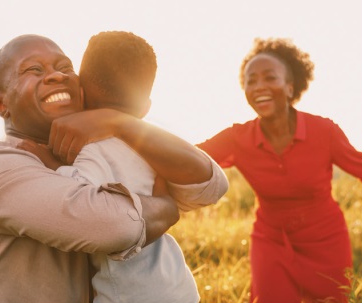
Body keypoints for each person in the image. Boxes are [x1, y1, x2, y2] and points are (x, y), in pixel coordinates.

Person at [0, 34, 213, 302]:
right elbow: (117, 228)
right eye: (34, 70)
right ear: (2, 104)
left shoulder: (96, 152)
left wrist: (119, 123)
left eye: (65, 67)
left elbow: (209, 184)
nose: (57, 76)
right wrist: (167, 208)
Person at [195, 38, 362, 302]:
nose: (259, 86)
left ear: (290, 87)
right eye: (250, 81)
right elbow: (189, 156)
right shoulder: (238, 138)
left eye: (269, 77)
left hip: (326, 243)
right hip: (271, 242)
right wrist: (143, 138)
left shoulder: (323, 132)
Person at [19, 31, 227, 303]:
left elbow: (80, 200)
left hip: (128, 294)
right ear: (145, 108)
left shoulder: (92, 150)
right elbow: (210, 188)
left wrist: (49, 163)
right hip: (179, 287)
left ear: (81, 92)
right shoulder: (154, 150)